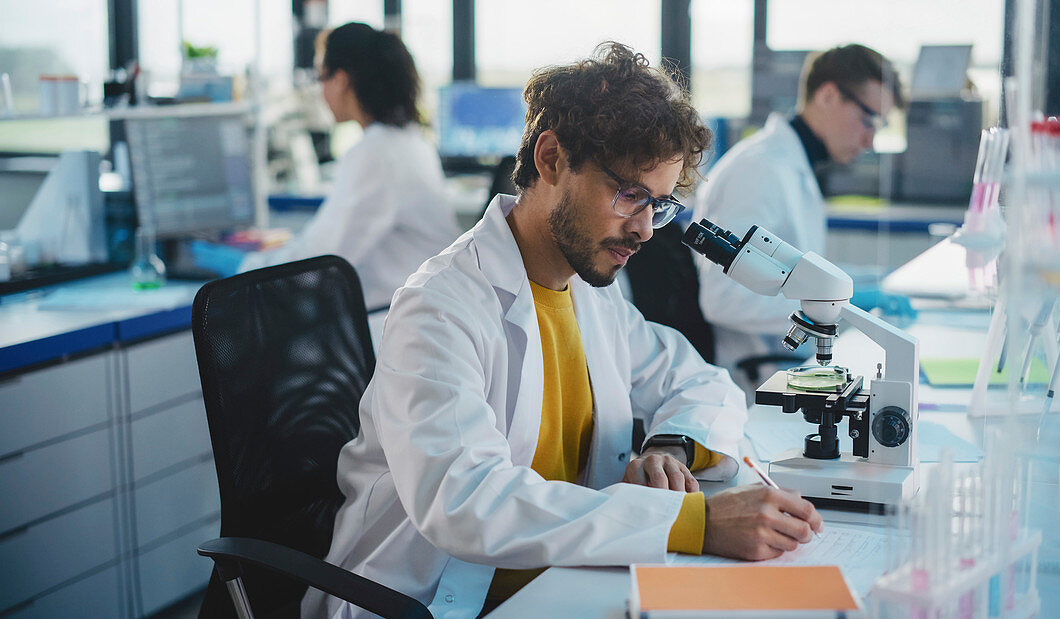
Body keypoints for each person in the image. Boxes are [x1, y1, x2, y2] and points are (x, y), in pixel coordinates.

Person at [302, 42, 823, 619]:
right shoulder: (440, 307)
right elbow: (467, 501)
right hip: (439, 601)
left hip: (565, 583)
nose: (646, 229)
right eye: (628, 195)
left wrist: (671, 445)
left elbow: (699, 380)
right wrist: (690, 522)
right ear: (550, 159)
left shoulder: (588, 290)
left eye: (659, 203)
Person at [192, 22, 459, 310]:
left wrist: (243, 264)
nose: (320, 91)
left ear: (341, 80)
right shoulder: (408, 141)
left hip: (399, 325)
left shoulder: (376, 153)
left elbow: (316, 264)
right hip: (423, 313)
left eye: (321, 77)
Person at [694, 44, 907, 395]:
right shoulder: (758, 170)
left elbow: (795, 275)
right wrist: (841, 305)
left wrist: (873, 284)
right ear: (827, 95)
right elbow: (723, 299)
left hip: (794, 364)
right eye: (869, 119)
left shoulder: (791, 166)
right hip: (758, 376)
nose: (871, 140)